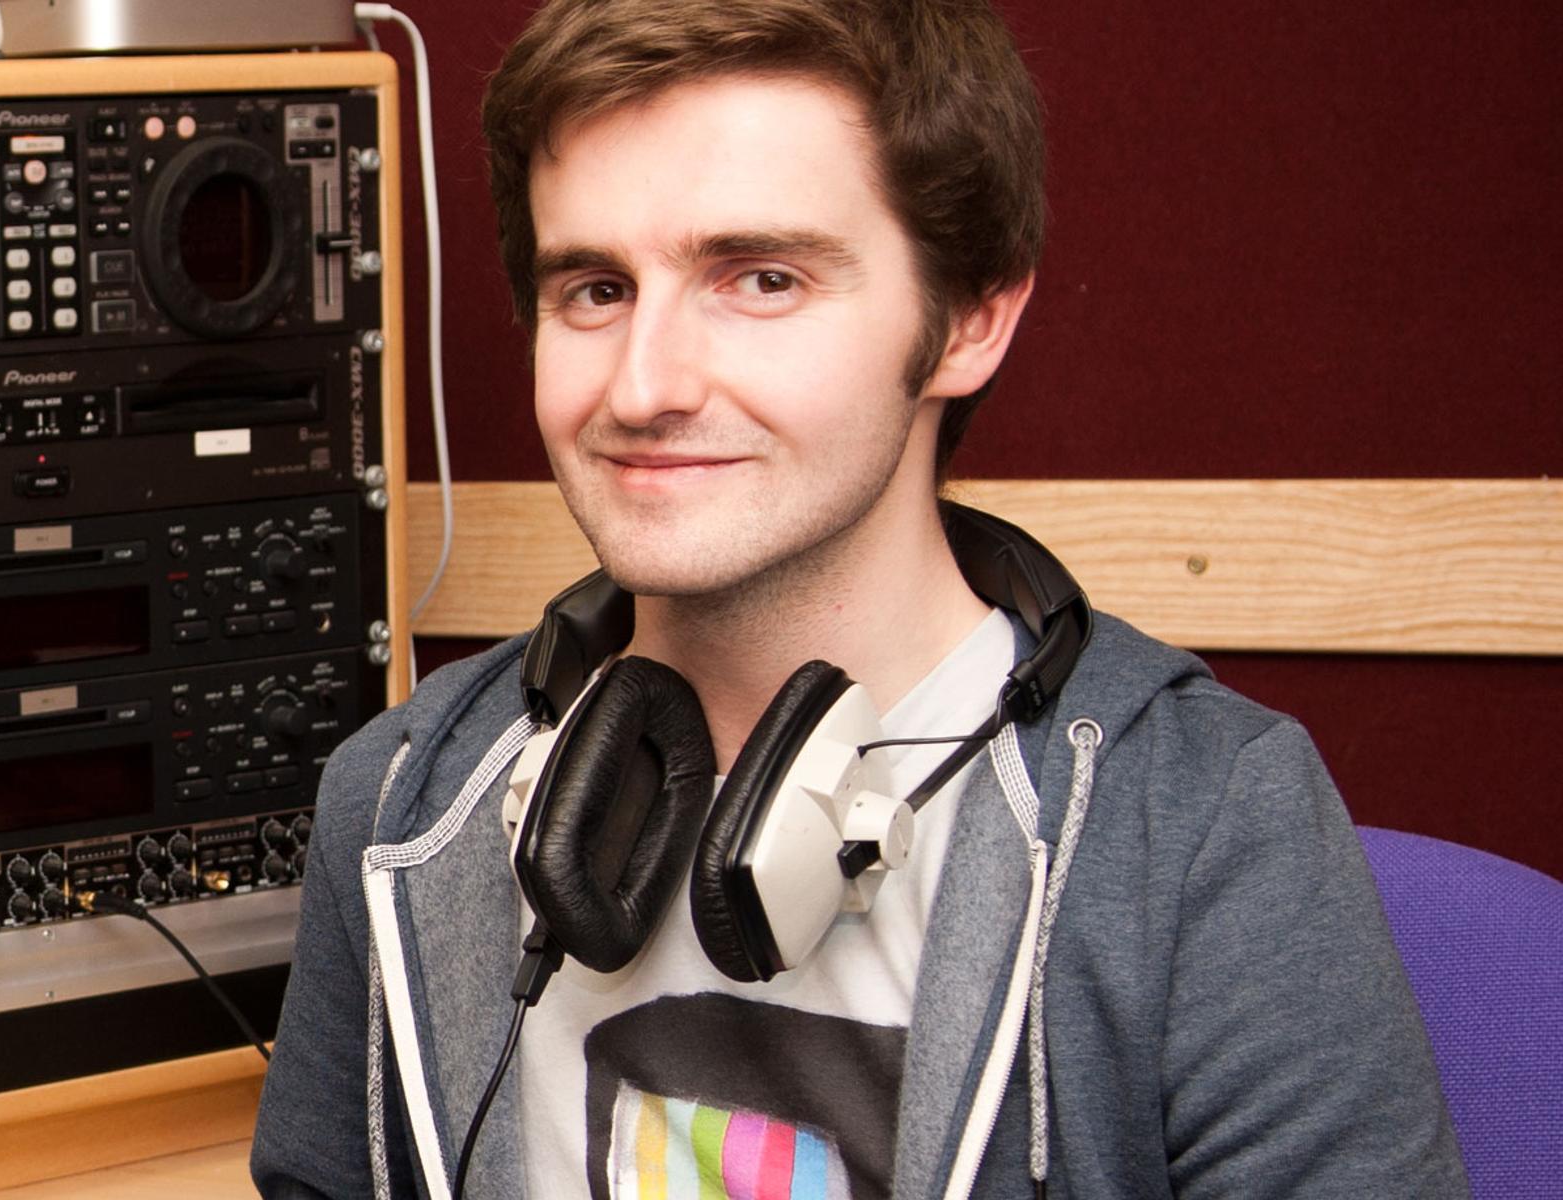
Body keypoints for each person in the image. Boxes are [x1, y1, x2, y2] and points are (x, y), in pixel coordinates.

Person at [248, 0, 1466, 1196]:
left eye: (761, 279)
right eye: (593, 290)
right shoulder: (403, 797)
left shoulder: (1194, 825)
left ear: (969, 319)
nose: (642, 384)